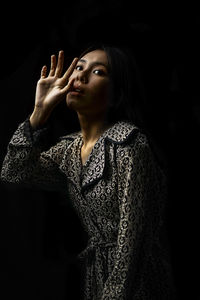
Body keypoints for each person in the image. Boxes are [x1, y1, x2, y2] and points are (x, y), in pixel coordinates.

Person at [1, 44, 176, 299]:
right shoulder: (69, 151)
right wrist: (40, 111)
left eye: (98, 72)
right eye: (79, 67)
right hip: (96, 281)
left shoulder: (130, 146)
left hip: (139, 283)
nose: (80, 76)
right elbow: (14, 173)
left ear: (117, 94)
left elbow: (133, 243)